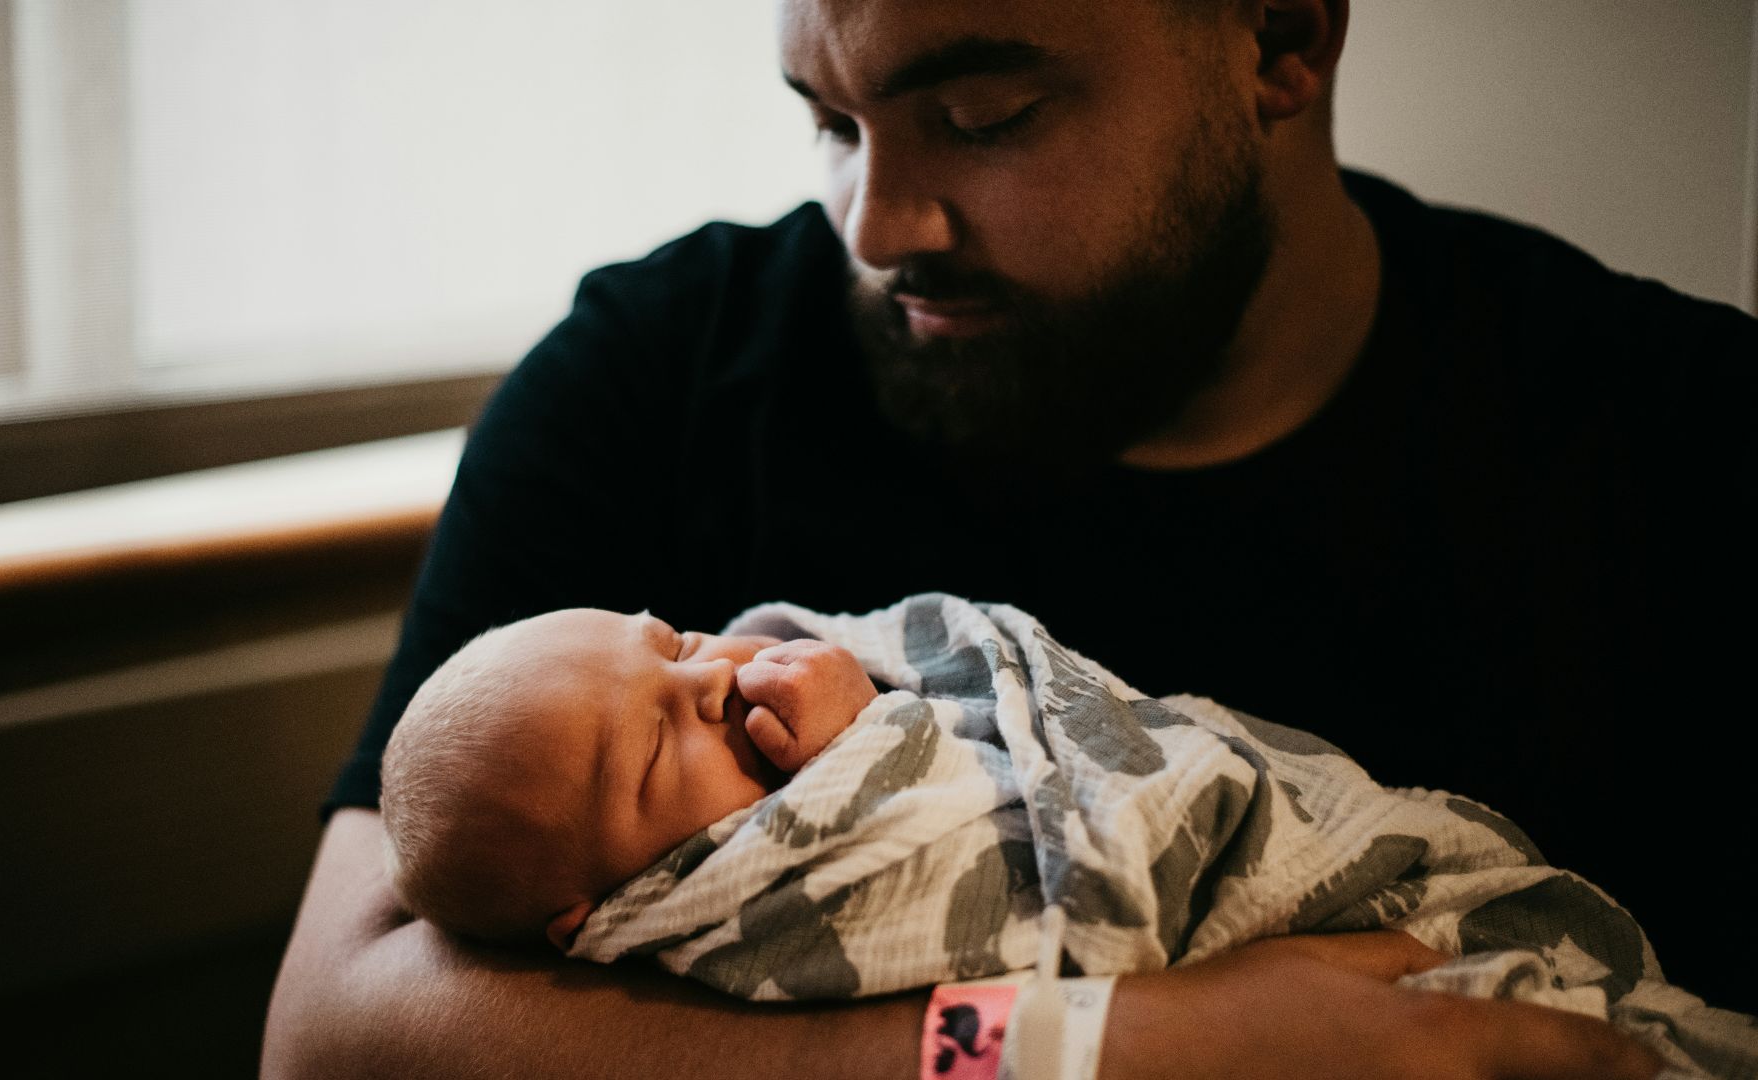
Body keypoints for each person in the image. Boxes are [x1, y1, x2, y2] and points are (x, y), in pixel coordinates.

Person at [264, 0, 1756, 1076]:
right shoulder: (652, 377)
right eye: (831, 123)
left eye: (983, 117)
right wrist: (1105, 1054)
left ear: (1281, 43)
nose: (874, 223)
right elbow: (337, 1036)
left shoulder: (1672, 435)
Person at [379, 610, 864, 948]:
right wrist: (858, 736)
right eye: (655, 748)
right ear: (608, 916)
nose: (714, 673)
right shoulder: (744, 932)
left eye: (678, 644)